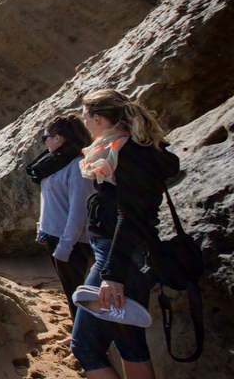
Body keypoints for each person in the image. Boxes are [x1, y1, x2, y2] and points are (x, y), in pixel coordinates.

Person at [70, 89, 180, 379]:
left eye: (84, 115)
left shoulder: (127, 153)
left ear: (97, 118)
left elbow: (129, 216)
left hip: (124, 257)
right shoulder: (123, 148)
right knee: (129, 343)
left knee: (86, 347)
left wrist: (112, 275)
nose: (82, 121)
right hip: (125, 253)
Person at [25, 113, 94, 332]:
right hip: (54, 236)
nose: (44, 142)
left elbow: (78, 211)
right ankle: (78, 334)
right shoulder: (55, 164)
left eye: (45, 137)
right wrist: (42, 227)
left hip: (72, 242)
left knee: (76, 292)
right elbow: (50, 201)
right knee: (69, 290)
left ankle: (83, 340)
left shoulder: (77, 165)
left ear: (59, 137)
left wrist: (66, 246)